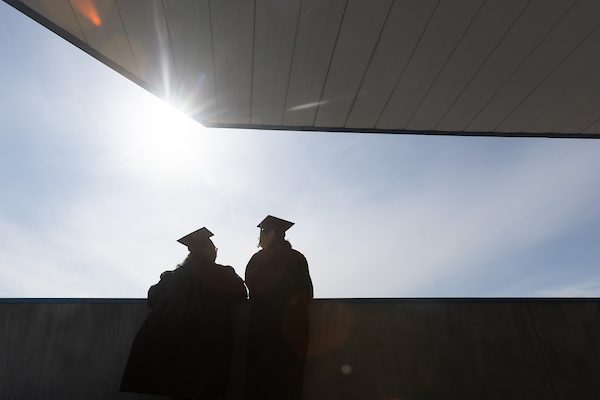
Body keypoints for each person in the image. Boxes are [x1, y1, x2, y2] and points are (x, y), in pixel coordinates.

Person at [120, 227, 247, 400]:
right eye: (214, 249)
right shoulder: (221, 274)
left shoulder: (171, 277)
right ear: (208, 251)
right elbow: (241, 293)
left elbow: (152, 299)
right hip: (206, 349)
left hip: (172, 351)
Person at [245, 216, 313, 400]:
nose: (260, 241)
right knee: (290, 382)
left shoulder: (259, 258)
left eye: (263, 235)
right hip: (295, 328)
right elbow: (308, 292)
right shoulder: (298, 258)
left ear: (272, 234)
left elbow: (252, 287)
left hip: (265, 328)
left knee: (262, 380)